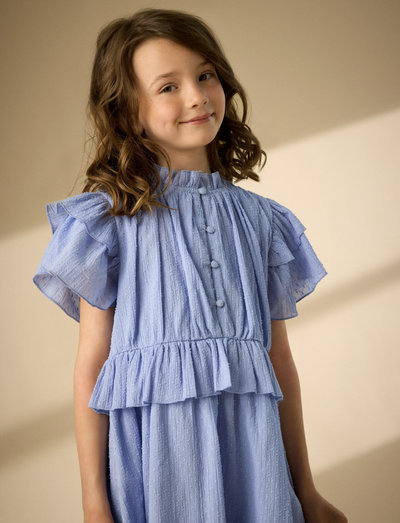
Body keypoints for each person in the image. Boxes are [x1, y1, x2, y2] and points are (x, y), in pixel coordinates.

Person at [32, 8, 348, 523]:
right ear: (127, 112)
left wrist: (306, 490)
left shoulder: (263, 221)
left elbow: (280, 365)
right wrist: (93, 502)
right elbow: (92, 364)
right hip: (157, 460)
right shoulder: (109, 222)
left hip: (254, 458)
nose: (197, 96)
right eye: (168, 87)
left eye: (205, 75)